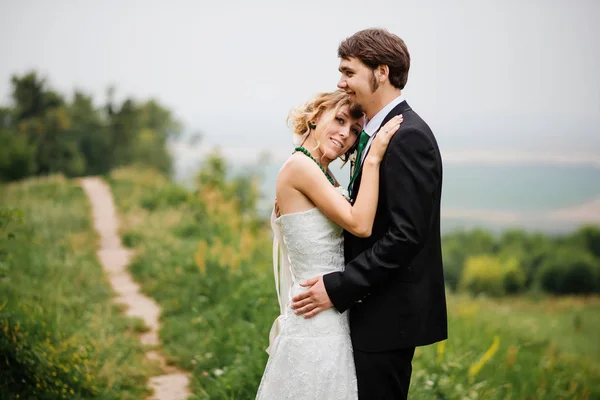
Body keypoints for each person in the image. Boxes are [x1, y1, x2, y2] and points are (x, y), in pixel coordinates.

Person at [291, 28, 448, 399]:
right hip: (366, 314)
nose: (341, 82)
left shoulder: (408, 136)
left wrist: (339, 287)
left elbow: (405, 236)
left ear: (380, 72)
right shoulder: (375, 133)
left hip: (387, 319)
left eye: (349, 72)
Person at [255, 89, 402, 399]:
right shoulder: (300, 167)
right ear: (315, 115)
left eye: (354, 131)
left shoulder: (323, 174)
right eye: (339, 119)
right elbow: (360, 224)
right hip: (316, 314)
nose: (345, 134)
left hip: (330, 306)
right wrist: (373, 158)